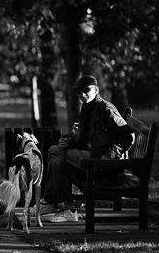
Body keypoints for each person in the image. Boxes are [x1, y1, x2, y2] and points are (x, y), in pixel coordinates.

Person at [41, 75, 134, 223]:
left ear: (96, 90)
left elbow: (128, 136)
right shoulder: (88, 108)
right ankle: (67, 210)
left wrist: (109, 156)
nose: (83, 94)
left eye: (86, 90)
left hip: (103, 164)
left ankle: (49, 201)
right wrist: (69, 141)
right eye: (79, 91)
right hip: (91, 155)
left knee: (53, 151)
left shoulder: (106, 109)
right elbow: (84, 138)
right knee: (57, 162)